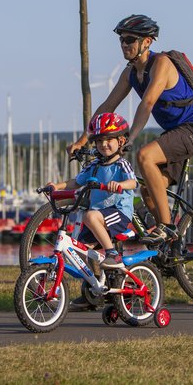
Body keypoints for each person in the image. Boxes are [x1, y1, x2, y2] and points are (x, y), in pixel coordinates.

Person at [68, 14, 193, 245]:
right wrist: (82, 140)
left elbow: (148, 102)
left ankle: (166, 228)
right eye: (121, 40)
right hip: (173, 133)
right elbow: (107, 106)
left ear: (147, 42)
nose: (124, 44)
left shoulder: (162, 64)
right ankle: (171, 248)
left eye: (129, 40)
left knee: (145, 156)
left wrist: (131, 137)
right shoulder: (130, 73)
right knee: (148, 191)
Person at [46, 112, 137, 271]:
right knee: (79, 249)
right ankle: (93, 283)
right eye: (99, 141)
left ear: (121, 141)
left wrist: (119, 184)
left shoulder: (121, 164)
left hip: (118, 212)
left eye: (108, 139)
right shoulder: (94, 165)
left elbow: (133, 182)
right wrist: (57, 186)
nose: (103, 144)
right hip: (96, 215)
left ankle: (113, 254)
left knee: (89, 216)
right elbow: (76, 182)